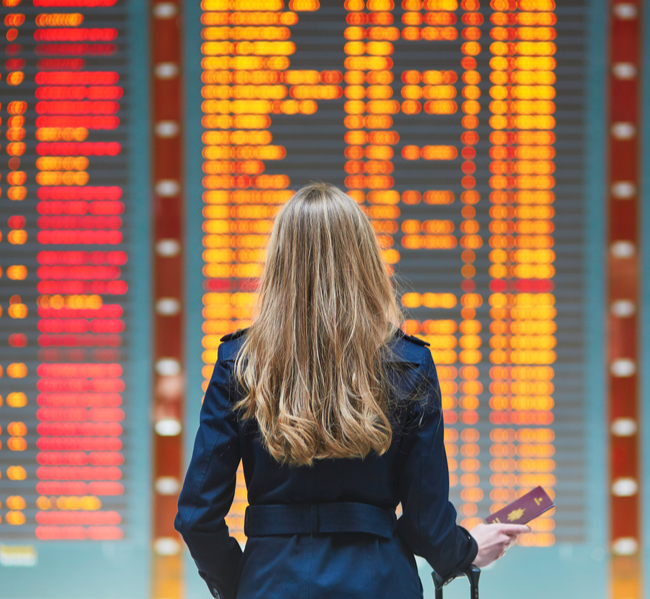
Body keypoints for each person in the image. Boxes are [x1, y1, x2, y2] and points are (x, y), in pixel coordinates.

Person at [175, 183, 530, 599]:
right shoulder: (409, 363)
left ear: (278, 262)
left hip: (270, 582)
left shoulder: (240, 362)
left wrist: (245, 583)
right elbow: (423, 523)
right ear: (364, 258)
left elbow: (197, 517)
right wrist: (468, 549)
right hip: (380, 584)